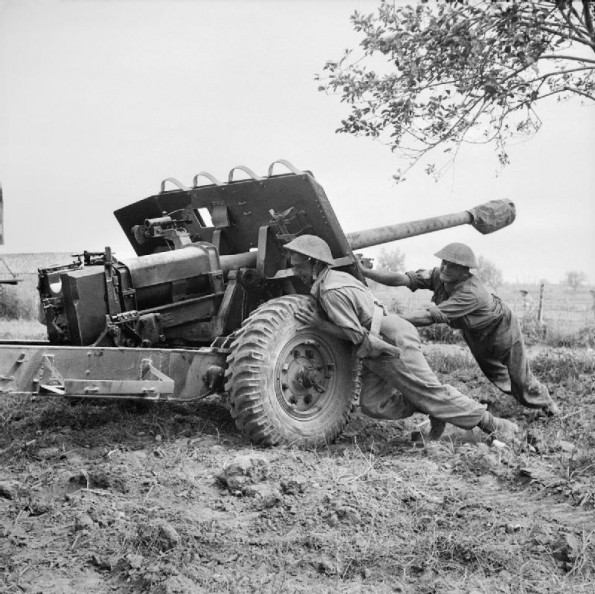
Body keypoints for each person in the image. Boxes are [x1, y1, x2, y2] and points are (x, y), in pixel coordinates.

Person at [284, 234, 520, 443]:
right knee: (373, 404)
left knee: (431, 391)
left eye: (298, 266)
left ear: (314, 262)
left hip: (391, 337)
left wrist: (319, 325)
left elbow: (355, 335)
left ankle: (493, 424)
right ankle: (430, 405)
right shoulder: (333, 279)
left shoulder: (331, 290)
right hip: (377, 341)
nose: (296, 272)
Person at [360, 242, 559, 418]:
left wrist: (383, 320)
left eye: (453, 265)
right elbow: (403, 279)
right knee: (495, 373)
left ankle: (546, 403)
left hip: (502, 329)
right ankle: (524, 398)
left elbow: (427, 317)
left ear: (465, 271)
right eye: (444, 262)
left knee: (519, 376)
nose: (445, 267)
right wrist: (366, 272)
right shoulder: (440, 276)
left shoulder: (471, 293)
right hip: (474, 332)